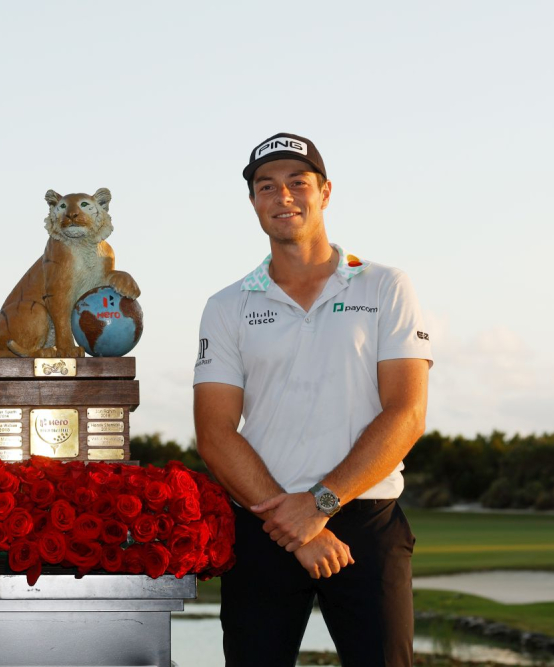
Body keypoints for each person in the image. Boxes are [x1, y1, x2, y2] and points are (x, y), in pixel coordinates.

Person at [193, 132, 432, 666]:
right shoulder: (227, 305)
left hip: (365, 519)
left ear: (325, 192)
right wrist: (293, 525)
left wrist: (320, 505)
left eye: (298, 183)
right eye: (266, 186)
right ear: (253, 202)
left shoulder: (385, 285)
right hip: (265, 524)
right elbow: (214, 433)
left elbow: (407, 414)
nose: (283, 197)